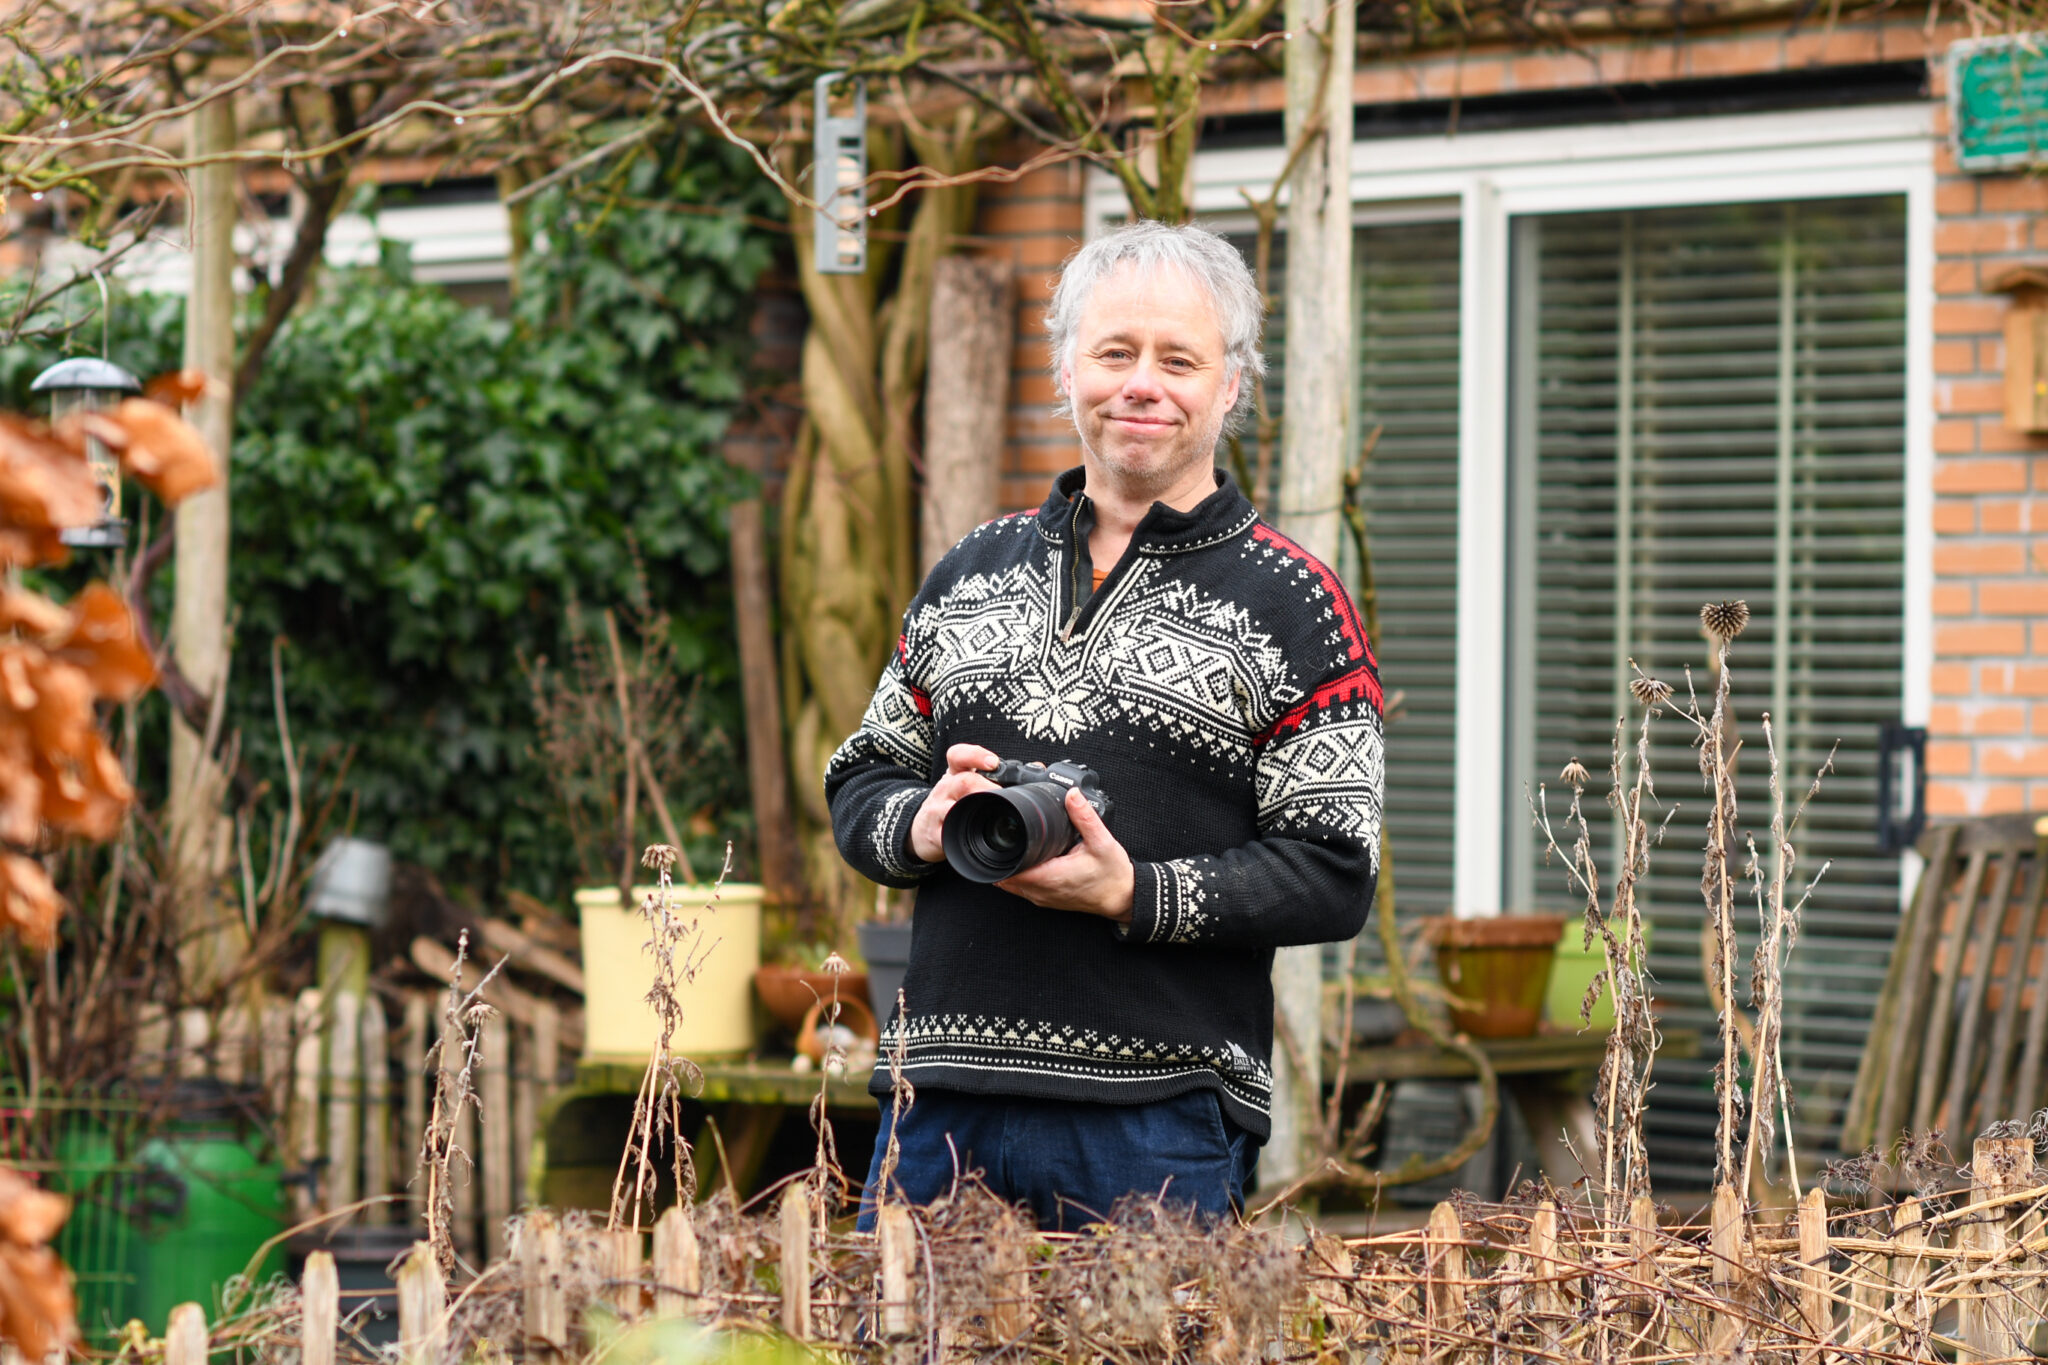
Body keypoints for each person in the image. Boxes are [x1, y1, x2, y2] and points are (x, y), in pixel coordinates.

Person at [826, 219, 1383, 1231]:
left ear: (1230, 384)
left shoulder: (1296, 602)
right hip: (937, 1099)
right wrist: (924, 821)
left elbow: (1334, 871)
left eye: (1178, 359)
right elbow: (861, 777)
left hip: (1157, 1114)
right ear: (1064, 369)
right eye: (1115, 352)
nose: (1142, 384)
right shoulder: (967, 570)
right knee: (895, 1325)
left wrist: (1132, 892)